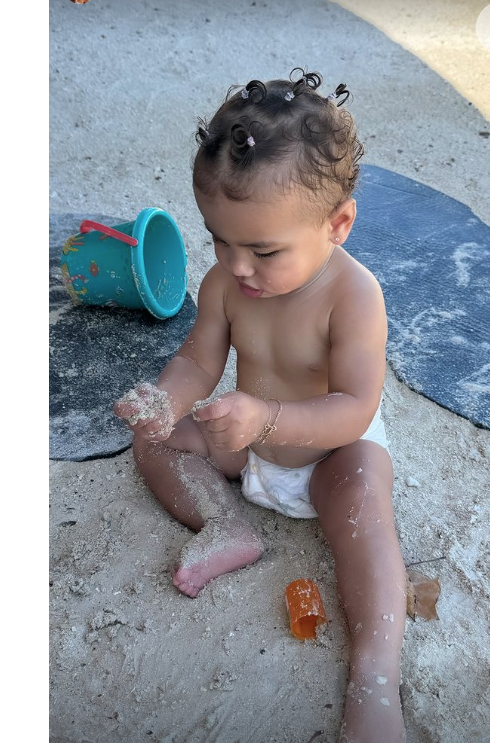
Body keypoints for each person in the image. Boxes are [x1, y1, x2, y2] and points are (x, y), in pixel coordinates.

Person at [114, 67, 406, 743]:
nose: (237, 266)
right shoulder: (226, 282)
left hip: (331, 449)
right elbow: (198, 359)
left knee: (366, 505)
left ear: (337, 224)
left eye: (264, 249)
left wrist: (269, 417)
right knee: (153, 443)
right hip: (249, 442)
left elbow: (356, 406)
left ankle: (376, 675)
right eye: (220, 238)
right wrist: (168, 396)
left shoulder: (353, 297)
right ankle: (225, 525)